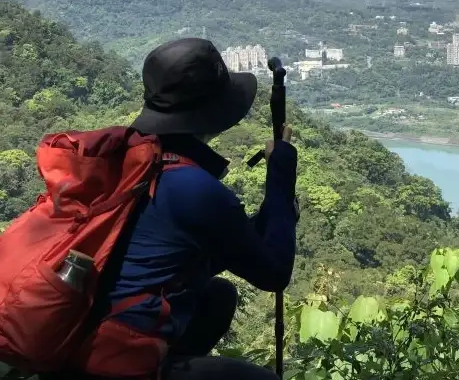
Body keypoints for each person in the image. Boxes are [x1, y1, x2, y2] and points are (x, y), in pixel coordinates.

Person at [70, 38, 298, 380]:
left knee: (218, 295)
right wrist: (281, 171)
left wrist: (272, 210)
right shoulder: (193, 188)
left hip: (83, 333)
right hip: (113, 356)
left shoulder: (136, 160)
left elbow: (230, 248)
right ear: (215, 112)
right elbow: (275, 273)